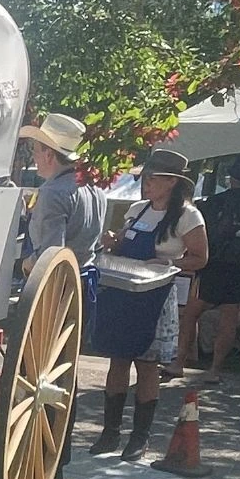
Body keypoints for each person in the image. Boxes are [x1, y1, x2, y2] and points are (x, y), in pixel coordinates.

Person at [89, 149, 208, 461]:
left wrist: (169, 262)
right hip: (124, 291)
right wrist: (114, 241)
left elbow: (200, 258)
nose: (145, 183)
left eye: (152, 178)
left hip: (156, 296)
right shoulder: (138, 210)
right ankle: (110, 432)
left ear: (171, 182)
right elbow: (123, 243)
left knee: (146, 365)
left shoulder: (187, 216)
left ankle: (139, 437)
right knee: (118, 360)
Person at [16, 112, 107, 479]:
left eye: (37, 150)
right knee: (62, 376)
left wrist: (23, 263)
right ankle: (55, 462)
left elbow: (48, 258)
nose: (34, 157)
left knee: (32, 379)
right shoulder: (94, 190)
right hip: (82, 286)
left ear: (50, 154)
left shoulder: (54, 193)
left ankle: (29, 463)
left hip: (53, 292)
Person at [175, 154, 240, 382]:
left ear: (231, 178)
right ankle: (215, 370)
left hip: (211, 265)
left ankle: (179, 362)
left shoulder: (212, 202)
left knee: (191, 314)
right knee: (229, 318)